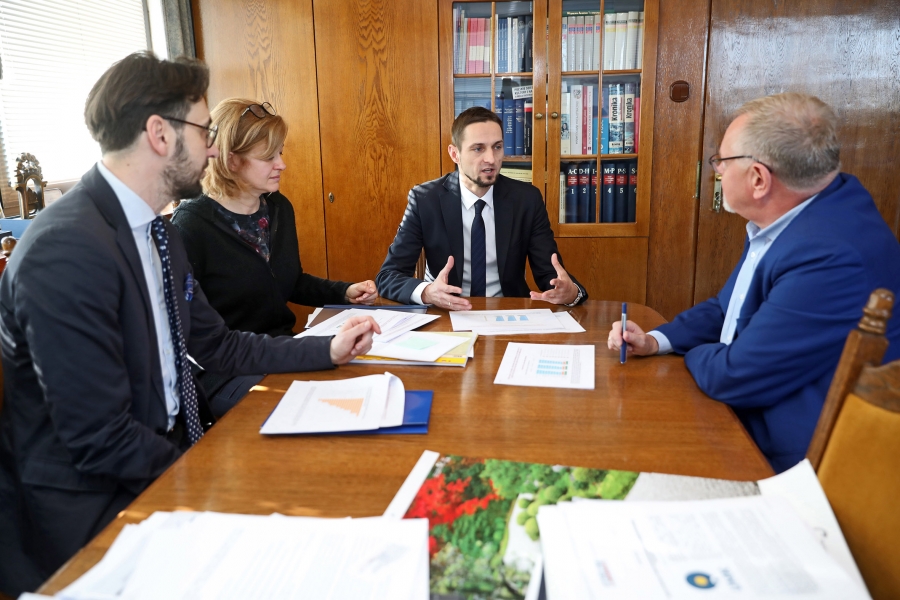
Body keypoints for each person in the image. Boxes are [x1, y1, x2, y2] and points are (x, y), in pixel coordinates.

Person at [0, 52, 378, 597]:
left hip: (161, 461)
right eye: (203, 130)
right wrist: (217, 477)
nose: (211, 146)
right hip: (92, 510)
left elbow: (217, 345)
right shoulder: (67, 250)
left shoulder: (158, 232)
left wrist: (327, 352)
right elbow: (100, 440)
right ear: (159, 134)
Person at [608, 92, 900, 473]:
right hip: (749, 415)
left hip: (786, 461)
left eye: (722, 161)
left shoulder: (827, 255)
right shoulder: (806, 210)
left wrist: (689, 357)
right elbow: (726, 308)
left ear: (758, 179)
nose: (716, 171)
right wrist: (657, 341)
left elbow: (733, 375)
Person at [171, 98, 378, 413]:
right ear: (230, 160)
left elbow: (288, 281)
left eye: (280, 152)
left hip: (282, 350)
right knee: (322, 410)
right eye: (268, 156)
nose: (281, 164)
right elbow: (191, 338)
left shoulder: (279, 207)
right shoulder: (190, 226)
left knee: (362, 385)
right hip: (226, 373)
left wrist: (343, 291)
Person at [376, 106, 587, 310]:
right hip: (446, 314)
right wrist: (427, 292)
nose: (491, 159)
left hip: (507, 314)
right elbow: (388, 276)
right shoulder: (425, 199)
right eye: (478, 149)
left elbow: (552, 277)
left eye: (497, 147)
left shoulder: (526, 199)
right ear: (454, 154)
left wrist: (571, 293)